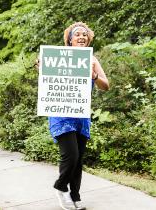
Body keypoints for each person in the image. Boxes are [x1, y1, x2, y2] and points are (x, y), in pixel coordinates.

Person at [47, 22, 109, 210]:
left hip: (81, 115)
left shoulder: (92, 60)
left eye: (85, 34)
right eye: (77, 34)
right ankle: (60, 187)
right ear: (70, 39)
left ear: (88, 39)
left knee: (79, 157)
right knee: (71, 156)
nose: (81, 37)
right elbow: (47, 80)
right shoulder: (58, 57)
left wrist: (94, 76)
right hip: (61, 113)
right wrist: (41, 67)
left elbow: (106, 85)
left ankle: (75, 196)